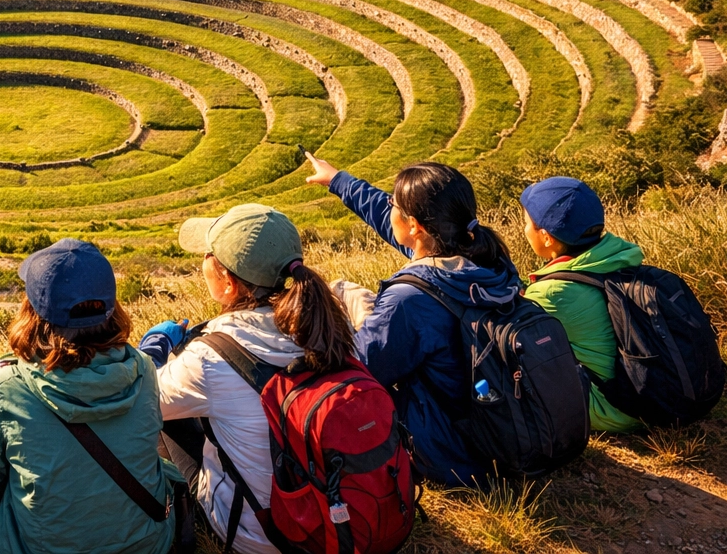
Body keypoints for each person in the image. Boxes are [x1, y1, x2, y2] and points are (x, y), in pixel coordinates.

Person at [139, 204, 353, 554]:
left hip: (265, 535)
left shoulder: (209, 356)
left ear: (227, 282)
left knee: (164, 418)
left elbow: (139, 400)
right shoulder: (330, 326)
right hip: (342, 513)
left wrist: (152, 353)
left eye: (209, 255)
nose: (203, 259)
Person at [0, 239, 180, 554]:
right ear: (111, 306)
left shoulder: (5, 386)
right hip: (144, 545)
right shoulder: (142, 369)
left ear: (31, 311)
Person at [307, 156, 520, 487]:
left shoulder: (410, 299)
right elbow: (387, 216)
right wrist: (338, 180)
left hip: (451, 452)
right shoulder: (488, 263)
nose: (388, 205)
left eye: (394, 202)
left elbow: (362, 371)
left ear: (415, 227)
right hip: (501, 428)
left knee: (339, 303)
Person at [519, 177, 643, 432]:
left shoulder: (551, 292)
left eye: (526, 224)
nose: (524, 230)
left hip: (612, 409)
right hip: (649, 393)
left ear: (546, 237)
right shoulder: (618, 258)